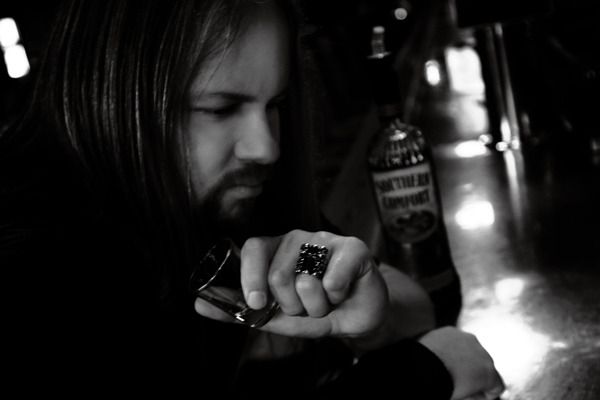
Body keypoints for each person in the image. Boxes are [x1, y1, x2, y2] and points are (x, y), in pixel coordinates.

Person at [0, 0, 504, 398]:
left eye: (276, 104)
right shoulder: (37, 262)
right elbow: (439, 351)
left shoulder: (227, 197)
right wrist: (417, 374)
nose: (267, 147)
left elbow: (413, 307)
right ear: (114, 96)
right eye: (221, 109)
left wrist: (365, 309)